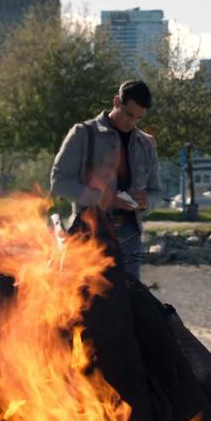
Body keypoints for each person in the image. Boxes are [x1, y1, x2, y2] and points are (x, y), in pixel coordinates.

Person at [50, 80, 162, 279]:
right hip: (89, 234)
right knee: (80, 302)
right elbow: (59, 182)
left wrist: (147, 202)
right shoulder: (83, 134)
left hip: (130, 237)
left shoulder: (147, 144)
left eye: (139, 118)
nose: (132, 122)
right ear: (117, 101)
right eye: (129, 114)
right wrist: (102, 198)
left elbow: (157, 192)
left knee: (129, 303)